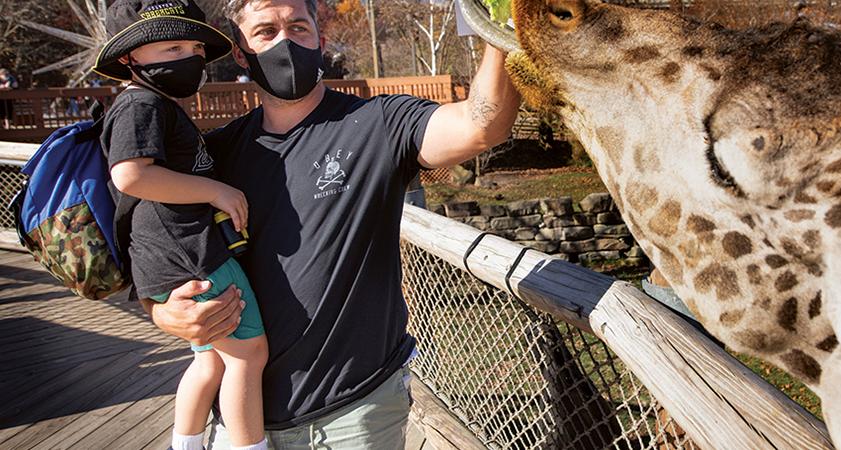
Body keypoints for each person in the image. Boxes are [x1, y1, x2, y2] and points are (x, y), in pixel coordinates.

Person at [143, 0, 521, 447]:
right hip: (242, 421)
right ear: (241, 53)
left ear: (320, 39)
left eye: (299, 27)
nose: (286, 42)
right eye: (266, 31)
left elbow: (483, 124)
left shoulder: (377, 123)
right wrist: (162, 313)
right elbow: (154, 238)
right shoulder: (216, 156)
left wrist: (502, 24)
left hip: (353, 414)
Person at [91, 1, 269, 449]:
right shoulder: (141, 104)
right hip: (189, 252)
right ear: (130, 57)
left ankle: (185, 444)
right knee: (249, 354)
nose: (188, 57)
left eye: (192, 47)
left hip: (164, 256)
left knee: (210, 362)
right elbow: (130, 174)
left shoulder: (154, 103)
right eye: (171, 48)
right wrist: (216, 192)